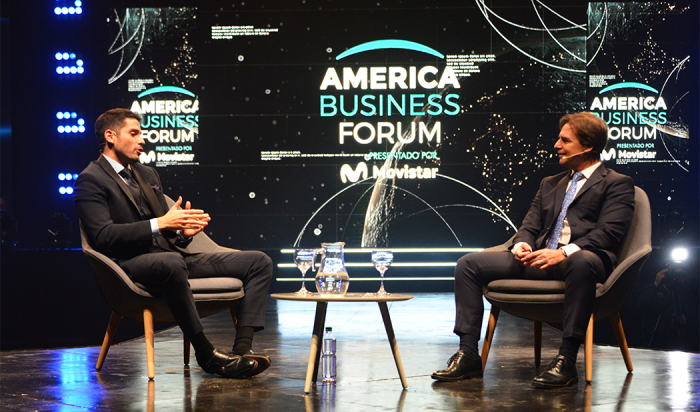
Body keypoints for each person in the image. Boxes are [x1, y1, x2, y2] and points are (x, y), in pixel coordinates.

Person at [432, 112, 635, 388]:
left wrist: (564, 252)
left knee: (582, 261)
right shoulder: (550, 183)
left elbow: (608, 233)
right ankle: (468, 354)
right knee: (468, 264)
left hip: (580, 263)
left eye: (565, 140)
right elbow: (529, 226)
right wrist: (521, 244)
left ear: (587, 146)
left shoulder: (616, 183)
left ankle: (566, 359)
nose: (556, 145)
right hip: (538, 259)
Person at [75, 108, 273, 378]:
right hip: (129, 264)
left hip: (172, 259)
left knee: (258, 262)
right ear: (110, 136)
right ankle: (206, 354)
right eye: (134, 134)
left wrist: (182, 233)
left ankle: (241, 351)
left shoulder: (147, 174)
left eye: (141, 133)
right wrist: (162, 223)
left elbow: (166, 232)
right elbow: (103, 237)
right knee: (171, 262)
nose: (142, 140)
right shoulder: (91, 180)